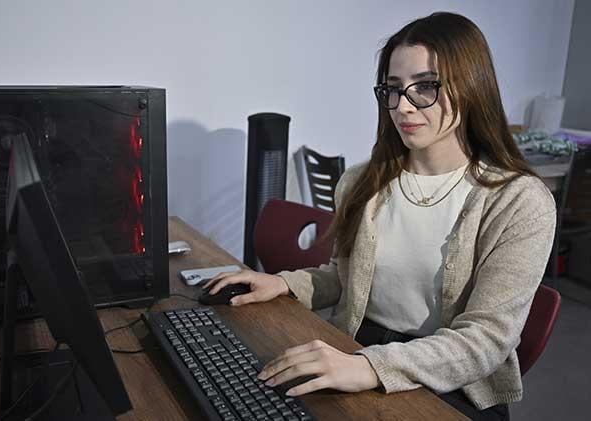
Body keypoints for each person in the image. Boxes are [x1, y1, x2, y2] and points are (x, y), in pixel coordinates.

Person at [203, 12, 556, 421]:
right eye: (392, 89)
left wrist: (370, 366)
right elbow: (346, 276)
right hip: (359, 346)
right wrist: (283, 283)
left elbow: (486, 340)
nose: (402, 106)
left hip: (455, 381)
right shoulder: (362, 181)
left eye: (425, 86)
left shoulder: (519, 201)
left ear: (471, 86)